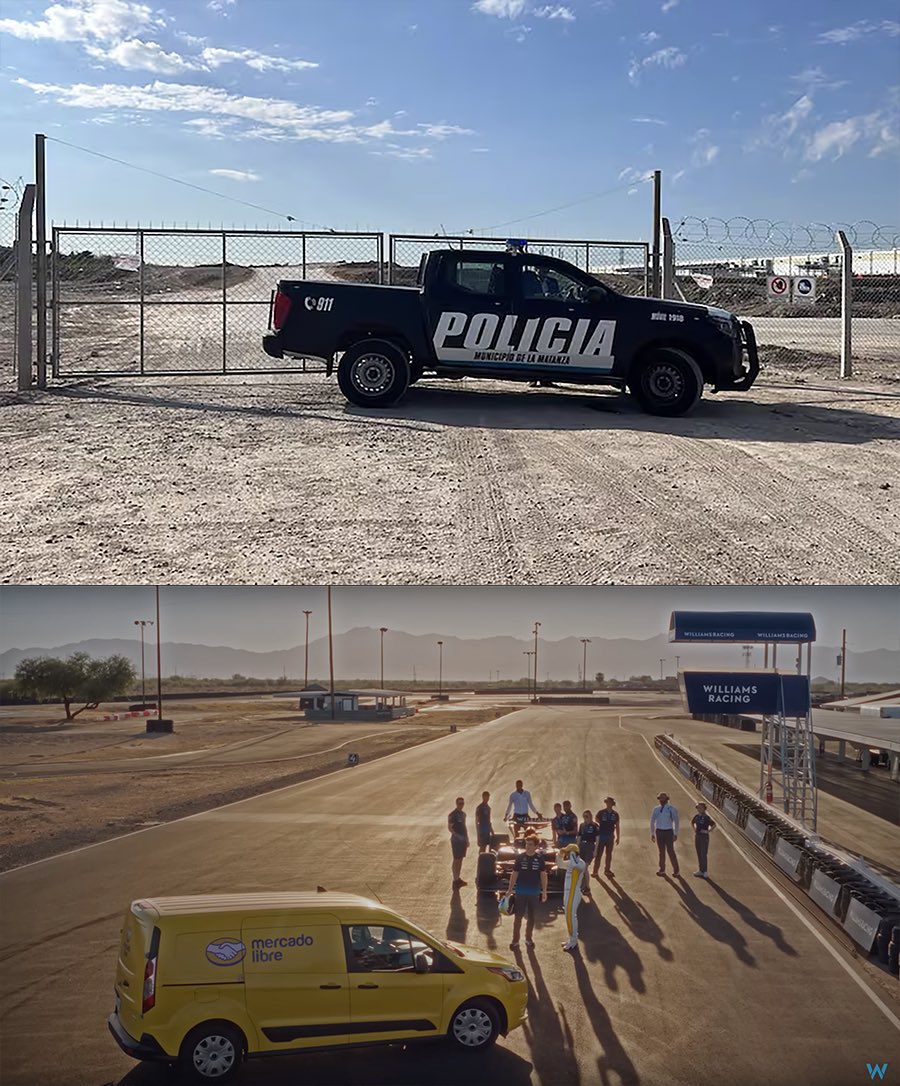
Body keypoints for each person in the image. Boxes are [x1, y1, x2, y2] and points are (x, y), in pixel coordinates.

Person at [506, 830, 548, 950]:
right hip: (520, 892)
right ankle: (515, 940)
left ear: (536, 846)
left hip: (534, 893)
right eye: (526, 844)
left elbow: (543, 875)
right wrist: (510, 890)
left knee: (531, 918)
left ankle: (528, 939)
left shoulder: (539, 858)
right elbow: (514, 873)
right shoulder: (520, 857)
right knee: (518, 917)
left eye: (530, 844)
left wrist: (544, 891)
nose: (527, 846)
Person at [558, 843, 586, 952]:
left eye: (569, 853)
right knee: (568, 916)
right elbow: (560, 864)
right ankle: (571, 938)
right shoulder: (570, 862)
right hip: (567, 893)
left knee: (571, 916)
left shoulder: (581, 863)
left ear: (574, 853)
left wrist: (573, 853)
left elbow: (575, 865)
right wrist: (560, 855)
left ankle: (573, 941)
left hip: (574, 893)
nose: (568, 855)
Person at [650, 791, 680, 877]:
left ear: (667, 799)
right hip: (659, 831)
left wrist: (675, 833)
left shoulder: (671, 809)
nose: (661, 800)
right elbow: (652, 821)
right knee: (661, 852)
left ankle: (676, 870)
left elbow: (676, 821)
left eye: (663, 798)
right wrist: (652, 833)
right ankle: (662, 869)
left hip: (668, 832)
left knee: (671, 851)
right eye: (660, 798)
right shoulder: (656, 809)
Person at [593, 797, 620, 879]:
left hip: (610, 836)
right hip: (602, 835)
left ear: (612, 804)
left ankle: (607, 870)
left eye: (609, 802)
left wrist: (618, 837)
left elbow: (617, 825)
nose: (608, 804)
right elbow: (596, 819)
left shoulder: (615, 814)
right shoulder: (601, 812)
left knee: (609, 854)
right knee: (599, 854)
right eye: (607, 802)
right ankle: (595, 871)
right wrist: (602, 824)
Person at [691, 802, 717, 879]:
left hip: (704, 837)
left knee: (703, 854)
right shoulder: (696, 816)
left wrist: (708, 831)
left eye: (700, 808)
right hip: (697, 836)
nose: (699, 809)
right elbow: (692, 822)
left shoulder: (706, 817)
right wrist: (694, 829)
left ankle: (705, 871)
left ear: (704, 809)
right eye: (698, 808)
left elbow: (714, 825)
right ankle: (700, 870)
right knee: (699, 853)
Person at [447, 796, 469, 887]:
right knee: (456, 859)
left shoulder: (463, 814)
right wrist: (457, 836)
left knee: (460, 859)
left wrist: (467, 839)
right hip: (456, 840)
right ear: (456, 804)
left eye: (462, 803)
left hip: (463, 839)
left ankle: (458, 877)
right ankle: (455, 878)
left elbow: (464, 827)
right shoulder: (453, 814)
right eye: (460, 803)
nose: (461, 805)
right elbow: (450, 828)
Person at [578, 809, 600, 897]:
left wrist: (595, 850)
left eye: (587, 816)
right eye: (584, 816)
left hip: (590, 846)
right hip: (582, 846)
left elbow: (597, 839)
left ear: (590, 816)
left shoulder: (595, 826)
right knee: (581, 868)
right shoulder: (582, 825)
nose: (585, 818)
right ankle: (583, 886)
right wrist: (576, 848)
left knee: (585, 867)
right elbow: (579, 837)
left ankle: (587, 887)